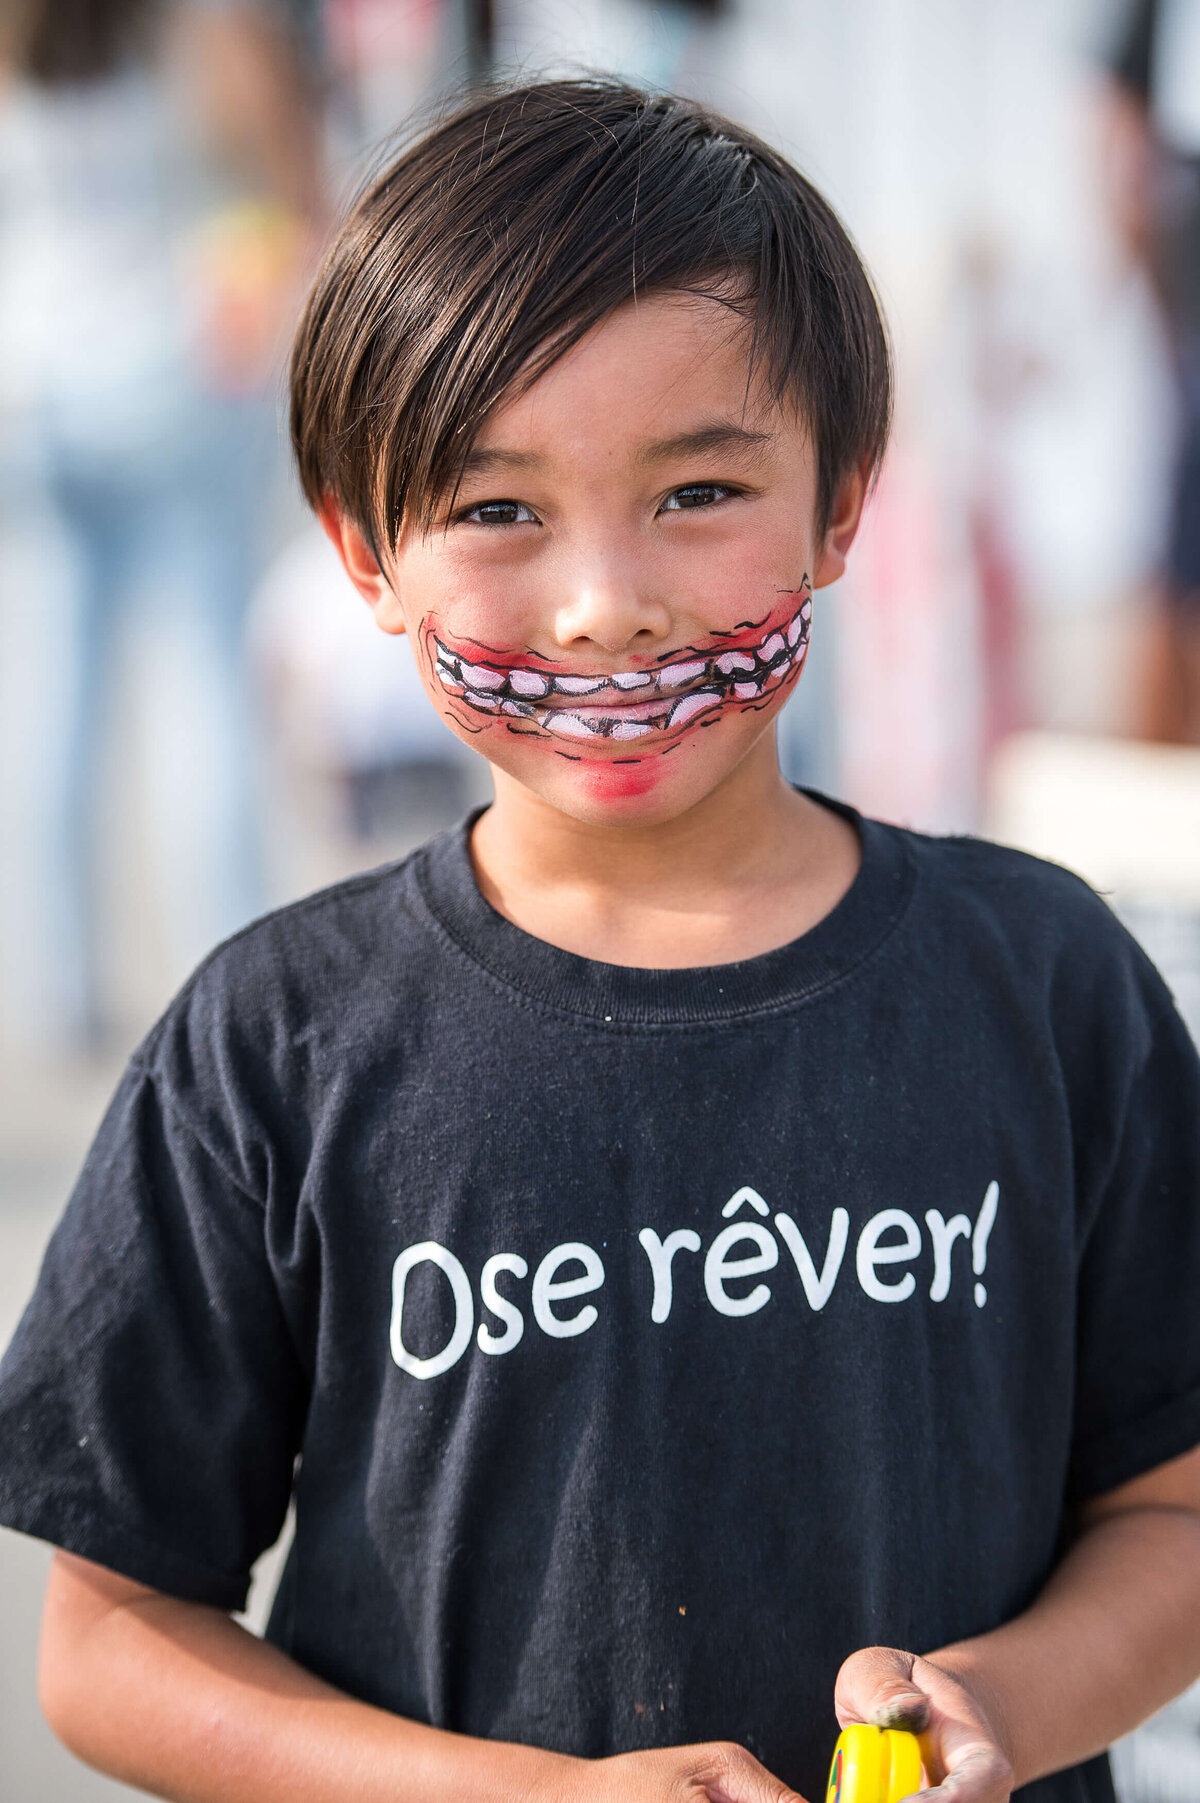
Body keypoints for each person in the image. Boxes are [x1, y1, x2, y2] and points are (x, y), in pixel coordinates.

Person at [0, 78, 1199, 1803]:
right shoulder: (273, 1045)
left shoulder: (1046, 981)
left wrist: (1008, 1698)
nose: (603, 603)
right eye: (497, 512)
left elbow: (1172, 1506)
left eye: (700, 489)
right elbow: (107, 1638)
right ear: (363, 551)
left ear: (843, 504)